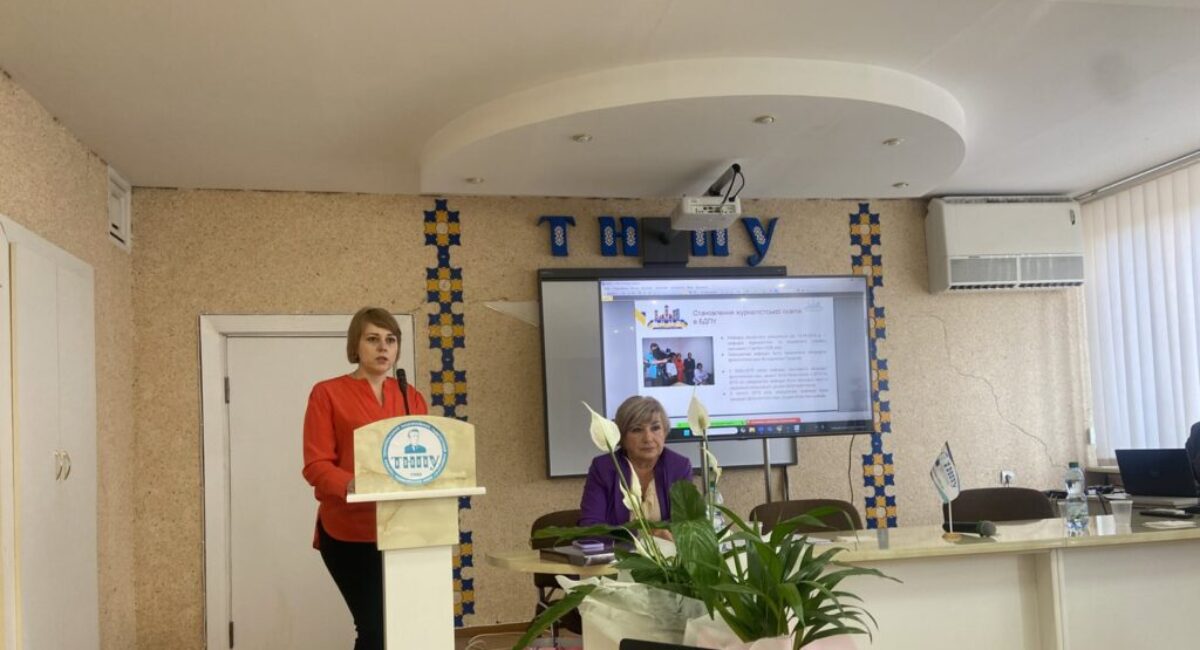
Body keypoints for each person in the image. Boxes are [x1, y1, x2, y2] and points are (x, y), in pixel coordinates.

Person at [302, 307, 428, 650]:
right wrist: (352, 484)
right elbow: (316, 465)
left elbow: (427, 459)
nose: (383, 347)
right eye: (373, 339)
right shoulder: (327, 393)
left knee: (404, 628)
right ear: (355, 346)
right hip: (350, 531)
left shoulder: (411, 397)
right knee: (375, 630)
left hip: (404, 529)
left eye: (391, 340)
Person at [579, 396, 693, 539]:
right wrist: (644, 536)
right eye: (637, 430)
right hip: (618, 552)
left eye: (655, 428)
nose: (648, 438)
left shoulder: (679, 467)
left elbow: (687, 525)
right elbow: (590, 528)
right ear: (621, 436)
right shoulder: (603, 468)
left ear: (665, 431)